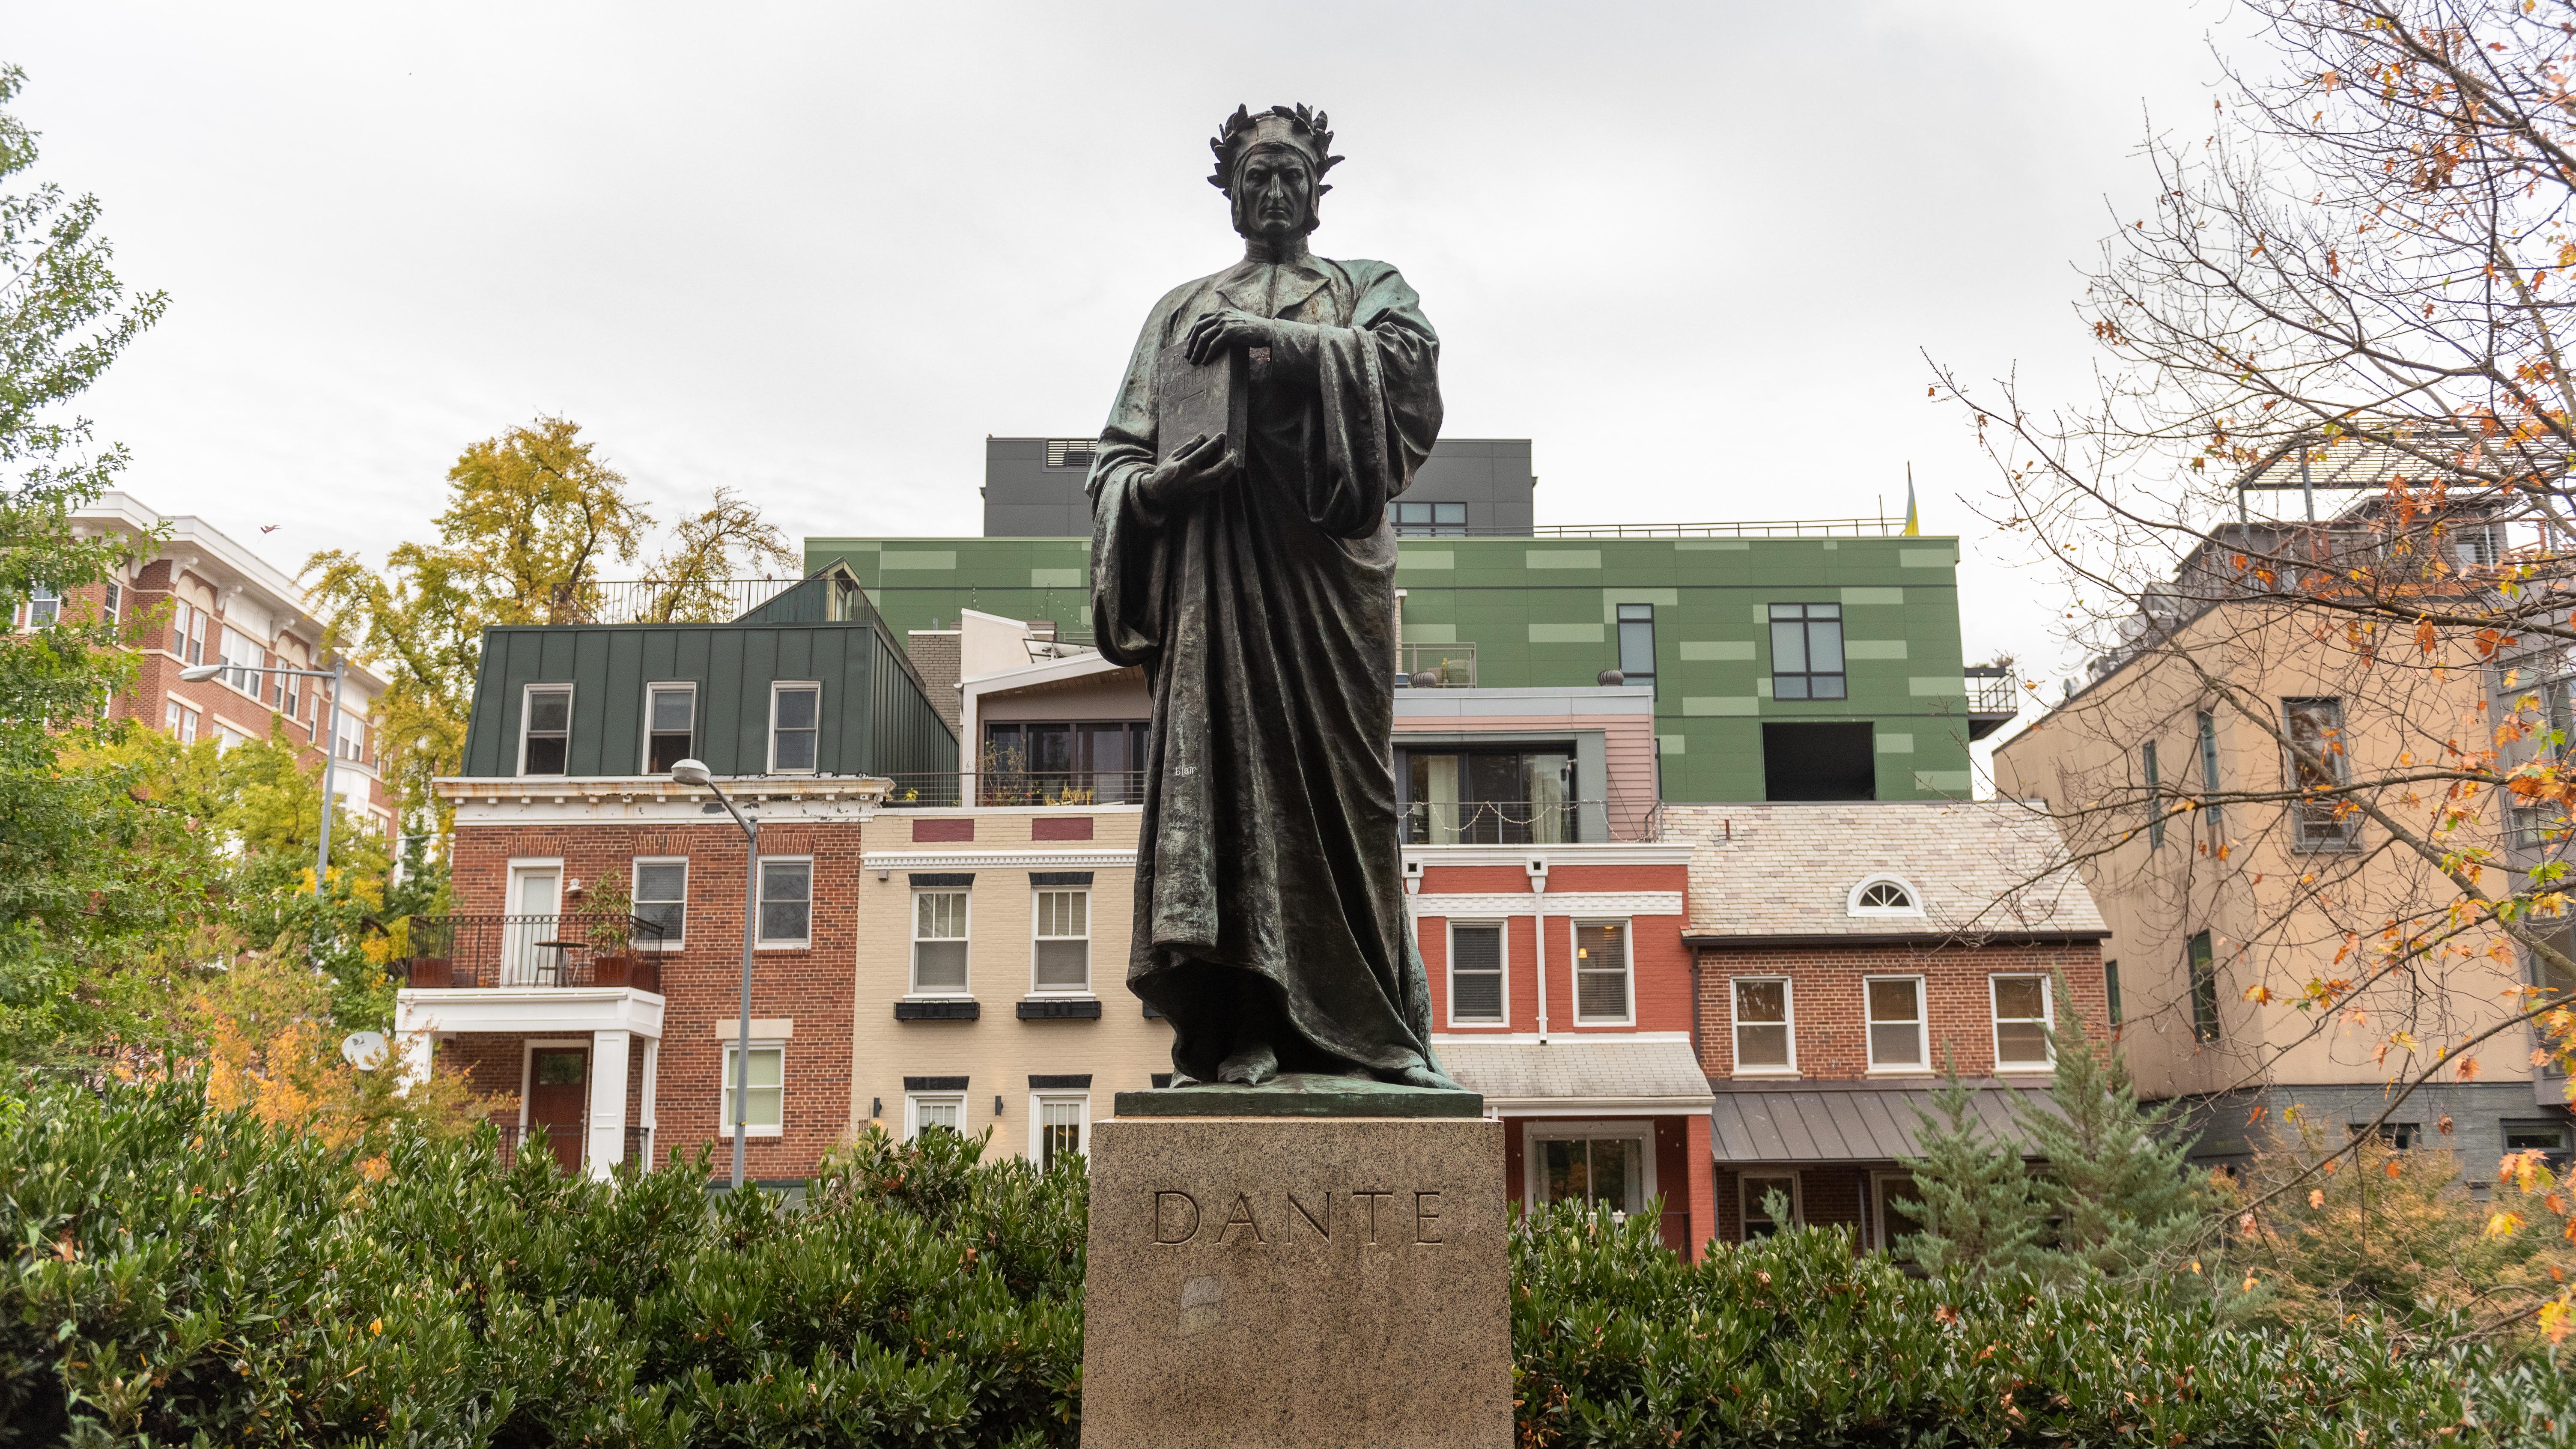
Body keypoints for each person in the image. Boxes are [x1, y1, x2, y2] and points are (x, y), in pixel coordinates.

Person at [1087, 104, 1455, 1090]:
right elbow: (1115, 459)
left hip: (1329, 575)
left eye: (1290, 172)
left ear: (1317, 186)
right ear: (1230, 190)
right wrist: (1158, 490)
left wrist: (1269, 340)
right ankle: (1241, 1023)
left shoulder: (1363, 287)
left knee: (1355, 798)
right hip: (1219, 579)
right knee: (1229, 787)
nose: (1273, 190)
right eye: (1255, 174)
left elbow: (1407, 380)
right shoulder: (1176, 313)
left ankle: (1382, 1035)